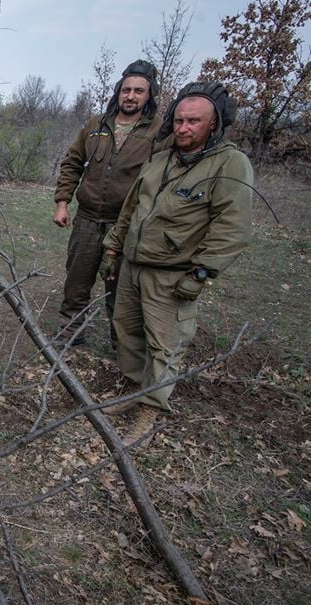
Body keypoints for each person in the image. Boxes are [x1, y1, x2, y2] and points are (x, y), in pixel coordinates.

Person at [100, 81, 253, 418]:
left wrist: (201, 273)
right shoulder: (161, 159)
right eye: (180, 120)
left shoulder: (229, 164)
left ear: (213, 123)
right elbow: (131, 209)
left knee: (164, 345)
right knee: (127, 331)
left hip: (172, 275)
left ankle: (150, 412)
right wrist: (112, 249)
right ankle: (132, 389)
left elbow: (232, 227)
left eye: (194, 121)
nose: (184, 128)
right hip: (133, 265)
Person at [53, 60, 164, 347]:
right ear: (118, 92)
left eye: (139, 91)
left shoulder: (159, 132)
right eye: (126, 89)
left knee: (120, 288)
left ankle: (123, 345)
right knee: (76, 280)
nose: (131, 96)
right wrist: (63, 202)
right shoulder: (95, 125)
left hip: (126, 225)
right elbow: (72, 163)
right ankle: (70, 335)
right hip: (87, 220)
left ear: (149, 95)